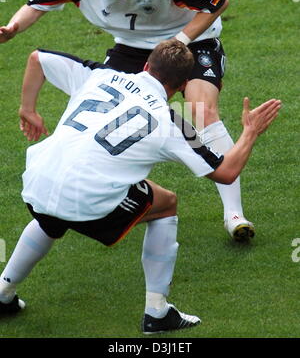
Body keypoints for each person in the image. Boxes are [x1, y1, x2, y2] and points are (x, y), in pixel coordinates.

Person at [0, 40, 281, 334]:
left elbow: (37, 58)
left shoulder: (101, 74)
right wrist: (250, 133)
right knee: (166, 204)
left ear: (146, 65)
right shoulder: (174, 122)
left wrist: (27, 109)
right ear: (184, 84)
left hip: (37, 179)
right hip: (85, 198)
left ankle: (3, 293)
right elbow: (226, 171)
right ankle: (157, 313)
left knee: (54, 214)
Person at [1, 0, 253, 239]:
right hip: (131, 47)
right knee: (99, 109)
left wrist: (178, 41)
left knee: (202, 112)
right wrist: (12, 27)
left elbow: (217, 1)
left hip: (192, 40)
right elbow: (37, 5)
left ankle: (234, 214)